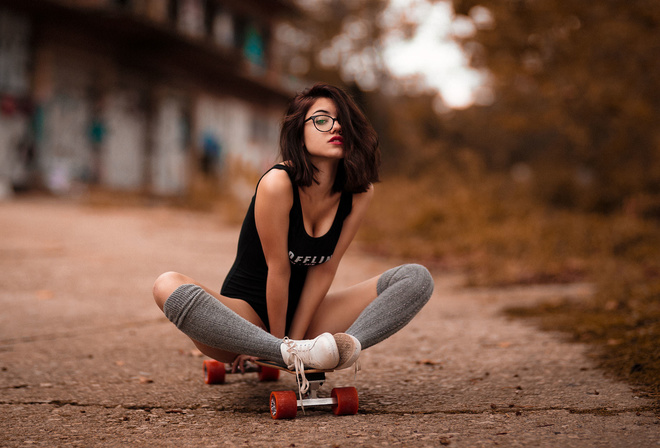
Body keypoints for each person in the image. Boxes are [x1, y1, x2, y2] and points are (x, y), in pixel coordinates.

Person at [152, 83, 434, 391]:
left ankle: (344, 349)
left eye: (343, 120)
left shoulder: (359, 192)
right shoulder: (278, 183)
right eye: (322, 119)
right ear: (299, 132)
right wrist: (277, 345)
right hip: (246, 321)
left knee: (416, 278)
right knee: (166, 284)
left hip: (308, 320)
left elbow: (325, 268)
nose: (336, 126)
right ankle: (279, 349)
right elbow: (279, 269)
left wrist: (298, 341)